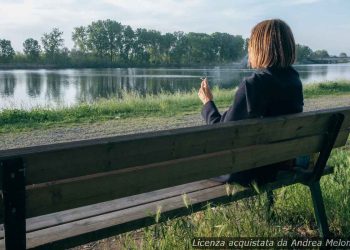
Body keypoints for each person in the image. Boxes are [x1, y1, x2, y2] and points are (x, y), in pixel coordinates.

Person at [198, 19, 304, 186]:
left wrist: (207, 103)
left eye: (250, 44)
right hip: (278, 164)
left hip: (249, 170)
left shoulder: (254, 84)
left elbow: (222, 133)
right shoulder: (294, 80)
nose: (248, 49)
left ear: (260, 47)